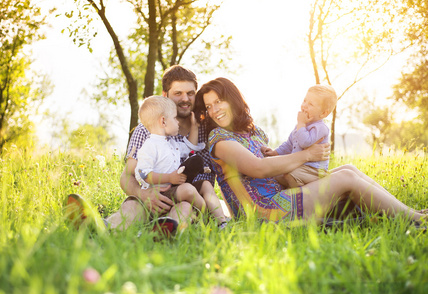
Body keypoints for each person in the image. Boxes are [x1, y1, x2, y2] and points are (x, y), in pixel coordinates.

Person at [193, 77, 427, 225]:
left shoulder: (254, 133)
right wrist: (307, 155)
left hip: (280, 195)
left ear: (232, 100)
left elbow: (277, 160)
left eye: (218, 101)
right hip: (262, 210)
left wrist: (288, 161)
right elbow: (259, 169)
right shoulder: (219, 139)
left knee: (348, 168)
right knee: (345, 178)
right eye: (209, 106)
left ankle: (409, 212)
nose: (214, 110)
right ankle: (417, 221)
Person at [66, 65, 217, 235]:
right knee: (133, 205)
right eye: (178, 93)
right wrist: (142, 193)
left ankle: (163, 234)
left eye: (190, 93)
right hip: (152, 198)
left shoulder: (206, 129)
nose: (186, 99)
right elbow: (127, 175)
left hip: (189, 201)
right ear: (165, 95)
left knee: (183, 208)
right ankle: (100, 228)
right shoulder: (145, 130)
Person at [134, 95, 227, 227]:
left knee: (206, 184)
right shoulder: (150, 146)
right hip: (162, 193)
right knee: (188, 189)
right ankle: (207, 217)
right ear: (163, 122)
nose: (177, 122)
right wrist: (169, 177)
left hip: (176, 189)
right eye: (174, 118)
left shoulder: (172, 143)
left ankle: (221, 222)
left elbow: (189, 147)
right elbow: (142, 174)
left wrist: (194, 127)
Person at [261, 84, 337, 188]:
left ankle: (301, 193)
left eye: (311, 104)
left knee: (289, 176)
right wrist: (275, 152)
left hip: (313, 170)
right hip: (300, 166)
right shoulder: (301, 126)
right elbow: (289, 144)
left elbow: (305, 142)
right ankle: (292, 185)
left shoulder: (321, 128)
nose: (304, 105)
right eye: (305, 100)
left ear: (323, 113)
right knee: (277, 174)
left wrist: (301, 123)